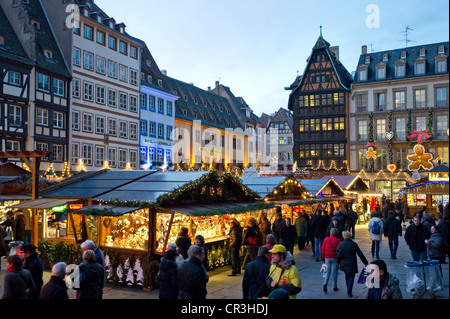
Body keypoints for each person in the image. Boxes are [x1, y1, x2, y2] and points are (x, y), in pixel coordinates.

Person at [337, 231, 368, 297]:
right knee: (351, 276)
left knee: (347, 275)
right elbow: (360, 254)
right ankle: (349, 289)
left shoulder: (341, 243)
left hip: (344, 263)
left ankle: (348, 287)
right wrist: (365, 262)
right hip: (352, 263)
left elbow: (337, 253)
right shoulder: (354, 244)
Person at [321, 227, 341, 293]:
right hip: (335, 258)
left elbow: (323, 248)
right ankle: (335, 286)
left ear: (331, 232)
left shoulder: (326, 239)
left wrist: (322, 256)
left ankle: (325, 283)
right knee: (335, 272)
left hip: (327, 257)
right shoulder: (338, 240)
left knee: (328, 271)